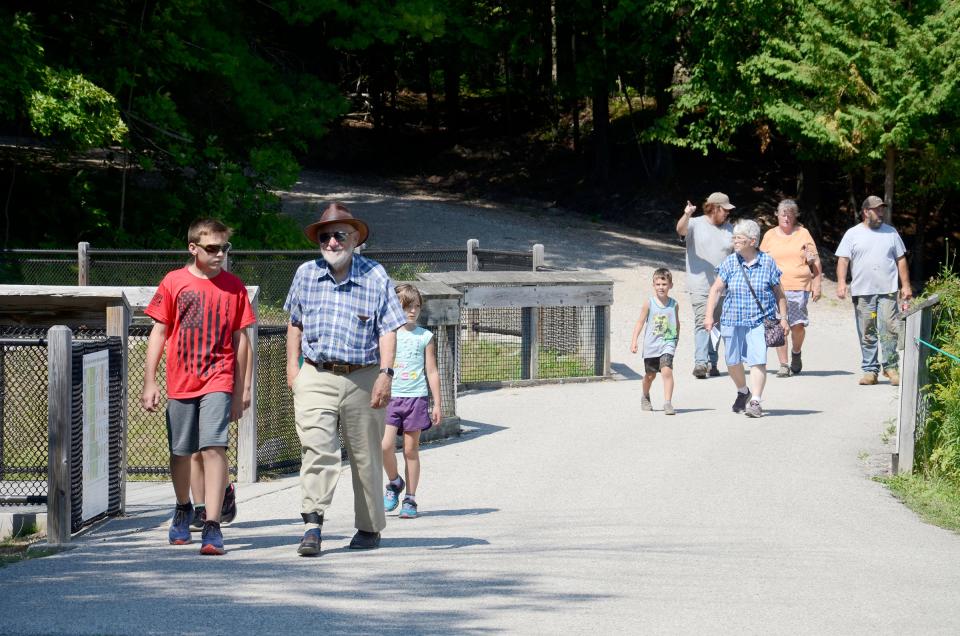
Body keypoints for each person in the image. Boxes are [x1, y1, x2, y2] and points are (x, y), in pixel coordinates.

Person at [284, 202, 406, 556]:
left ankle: (368, 528)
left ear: (355, 238)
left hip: (364, 376)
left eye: (339, 235)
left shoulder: (375, 275)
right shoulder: (306, 273)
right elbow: (295, 322)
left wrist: (386, 373)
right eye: (325, 236)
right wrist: (293, 369)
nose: (332, 242)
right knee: (317, 450)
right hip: (316, 373)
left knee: (366, 455)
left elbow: (388, 329)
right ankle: (312, 526)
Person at [141, 218, 255, 555]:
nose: (220, 254)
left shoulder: (235, 287)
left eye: (225, 248)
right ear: (193, 248)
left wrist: (241, 389)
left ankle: (213, 524)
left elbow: (242, 339)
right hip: (181, 380)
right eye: (212, 248)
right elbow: (159, 332)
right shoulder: (174, 282)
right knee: (181, 452)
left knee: (213, 448)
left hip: (218, 378)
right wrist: (150, 380)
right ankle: (182, 508)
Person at [704, 219, 789, 418]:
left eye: (739, 238)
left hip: (759, 320)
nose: (734, 241)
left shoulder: (767, 262)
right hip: (732, 320)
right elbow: (716, 289)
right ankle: (743, 391)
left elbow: (779, 292)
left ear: (752, 241)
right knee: (732, 361)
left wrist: (783, 317)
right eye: (733, 237)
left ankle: (756, 401)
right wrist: (709, 315)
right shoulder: (731, 262)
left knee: (757, 360)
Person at [835, 195, 913, 386]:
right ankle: (870, 370)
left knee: (889, 328)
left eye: (882, 209)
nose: (880, 213)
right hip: (863, 292)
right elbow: (843, 260)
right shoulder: (852, 234)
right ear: (865, 212)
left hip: (887, 291)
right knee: (867, 330)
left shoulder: (891, 233)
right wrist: (841, 283)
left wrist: (906, 286)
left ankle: (891, 368)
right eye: (877, 209)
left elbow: (901, 260)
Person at [381, 284, 443, 519]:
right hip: (391, 397)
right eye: (407, 306)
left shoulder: (425, 336)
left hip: (416, 398)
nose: (412, 311)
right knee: (384, 445)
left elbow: (432, 371)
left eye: (416, 306)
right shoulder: (388, 334)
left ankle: (411, 498)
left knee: (410, 449)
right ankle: (395, 482)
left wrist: (437, 403)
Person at [759, 199, 823, 377]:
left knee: (798, 325)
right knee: (780, 325)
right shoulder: (770, 235)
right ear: (777, 215)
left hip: (798, 285)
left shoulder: (803, 234)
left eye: (790, 214)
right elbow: (762, 261)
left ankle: (796, 352)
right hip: (775, 287)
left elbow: (815, 260)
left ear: (795, 216)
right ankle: (783, 364)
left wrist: (817, 285)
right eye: (783, 214)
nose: (786, 217)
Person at [677, 192, 734, 378]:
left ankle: (712, 361)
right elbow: (680, 230)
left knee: (715, 324)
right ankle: (700, 363)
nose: (727, 213)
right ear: (715, 208)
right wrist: (687, 214)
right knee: (703, 321)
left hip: (723, 287)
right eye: (725, 210)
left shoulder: (730, 229)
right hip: (700, 285)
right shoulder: (695, 223)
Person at [630, 268, 680, 415]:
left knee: (667, 371)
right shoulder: (649, 303)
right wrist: (634, 341)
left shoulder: (674, 304)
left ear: (670, 285)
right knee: (650, 376)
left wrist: (676, 340)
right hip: (651, 345)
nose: (661, 287)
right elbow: (640, 322)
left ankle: (667, 403)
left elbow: (676, 323)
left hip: (667, 343)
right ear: (653, 285)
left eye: (664, 284)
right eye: (658, 284)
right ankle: (645, 395)